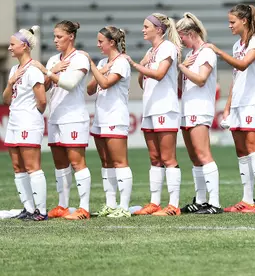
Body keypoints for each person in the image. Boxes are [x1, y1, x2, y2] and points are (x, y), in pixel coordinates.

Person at [205, 4, 255, 213]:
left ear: (244, 20)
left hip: (254, 102)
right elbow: (236, 78)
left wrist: (217, 51)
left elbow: (243, 65)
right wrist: (227, 106)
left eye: (232, 22)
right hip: (239, 104)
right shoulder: (237, 45)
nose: (230, 25)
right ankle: (247, 199)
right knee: (242, 152)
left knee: (253, 149)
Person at [32, 20, 92, 220]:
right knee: (60, 164)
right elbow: (47, 86)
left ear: (71, 36)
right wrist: (52, 71)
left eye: (59, 36)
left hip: (74, 117)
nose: (55, 40)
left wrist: (50, 71)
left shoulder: (80, 58)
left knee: (77, 162)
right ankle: (62, 206)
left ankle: (83, 208)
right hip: (56, 116)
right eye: (54, 36)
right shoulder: (53, 60)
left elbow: (70, 84)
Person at [124, 13, 184, 216]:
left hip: (165, 108)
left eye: (146, 26)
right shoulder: (152, 50)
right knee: (154, 158)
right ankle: (155, 202)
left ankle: (173, 205)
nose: (143, 29)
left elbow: (159, 74)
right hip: (150, 108)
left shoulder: (167, 48)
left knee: (168, 157)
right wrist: (143, 65)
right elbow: (144, 82)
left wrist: (135, 65)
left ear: (159, 29)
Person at [176, 12, 222, 214]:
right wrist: (181, 69)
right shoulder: (189, 55)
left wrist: (180, 67)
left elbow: (201, 79)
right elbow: (182, 84)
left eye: (182, 36)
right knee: (194, 157)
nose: (181, 41)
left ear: (190, 33)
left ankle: (215, 202)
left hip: (200, 108)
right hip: (187, 107)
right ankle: (201, 199)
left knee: (204, 155)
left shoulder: (206, 52)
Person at [85, 26, 133, 218]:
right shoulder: (104, 62)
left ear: (111, 42)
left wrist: (94, 67)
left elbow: (105, 83)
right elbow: (90, 89)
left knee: (119, 162)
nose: (98, 45)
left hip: (115, 117)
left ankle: (124, 206)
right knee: (106, 162)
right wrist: (98, 68)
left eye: (100, 41)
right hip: (101, 117)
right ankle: (111, 204)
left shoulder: (121, 62)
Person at [3, 26, 48, 221]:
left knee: (32, 166)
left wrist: (33, 115)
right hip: (13, 121)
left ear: (24, 46)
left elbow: (42, 101)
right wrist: (10, 83)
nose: (9, 48)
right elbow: (6, 100)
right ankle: (28, 209)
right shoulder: (14, 69)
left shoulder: (33, 70)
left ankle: (41, 211)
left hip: (28, 122)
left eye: (12, 45)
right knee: (17, 166)